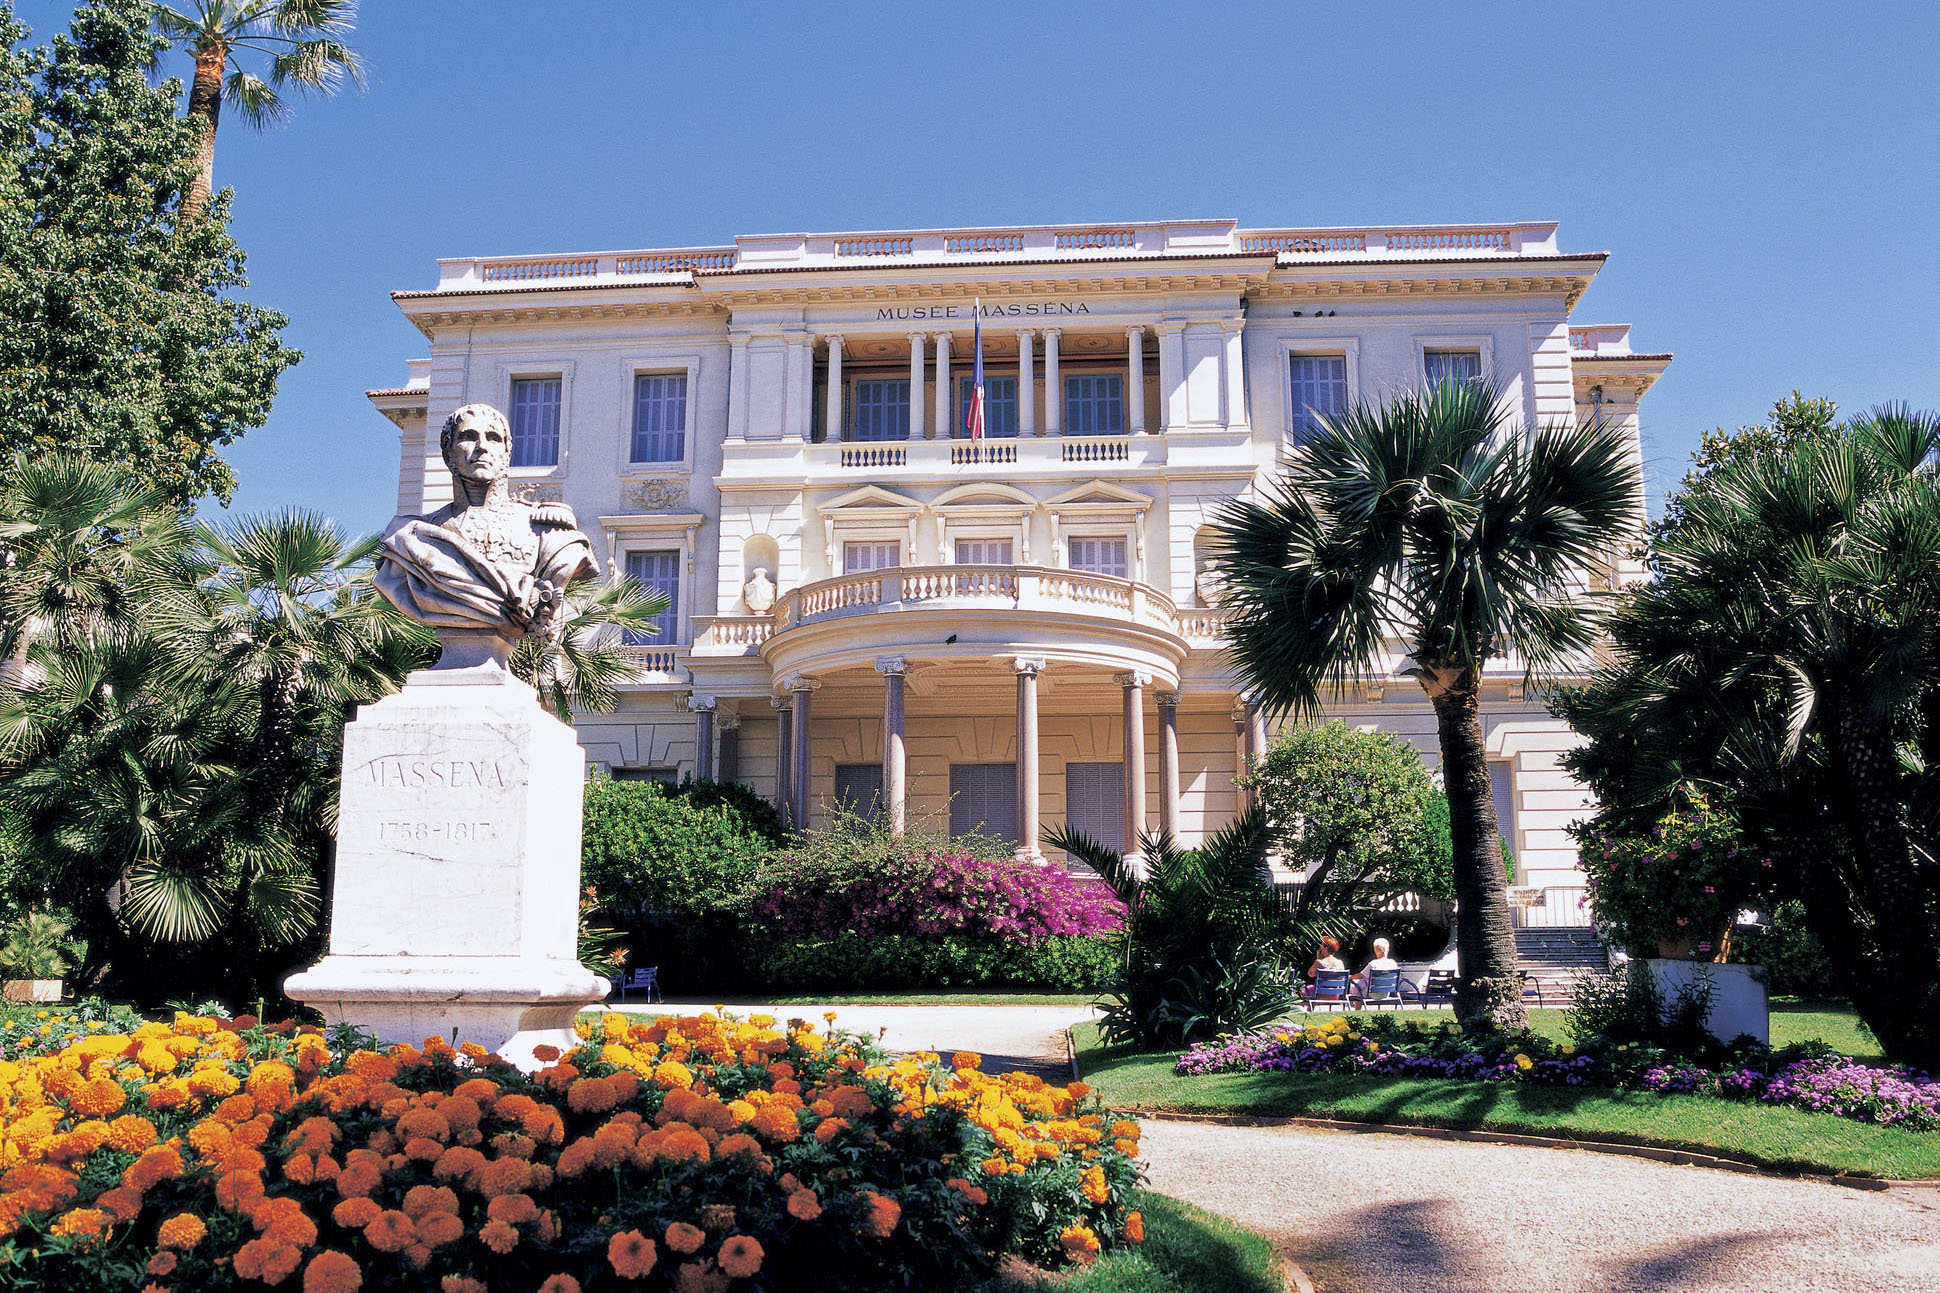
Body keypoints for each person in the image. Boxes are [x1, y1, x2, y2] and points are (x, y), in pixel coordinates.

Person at [376, 403, 598, 651]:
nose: (481, 446)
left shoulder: (545, 532)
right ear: (448, 452)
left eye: (493, 438)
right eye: (468, 437)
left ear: (506, 453)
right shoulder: (413, 536)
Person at [1351, 937, 1400, 1005]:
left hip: (1372, 993)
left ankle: (1356, 1010)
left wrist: (1349, 977)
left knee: (1357, 992)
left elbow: (1360, 975)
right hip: (1386, 993)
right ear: (1388, 949)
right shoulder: (1393, 963)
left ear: (1376, 950)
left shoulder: (1373, 964)